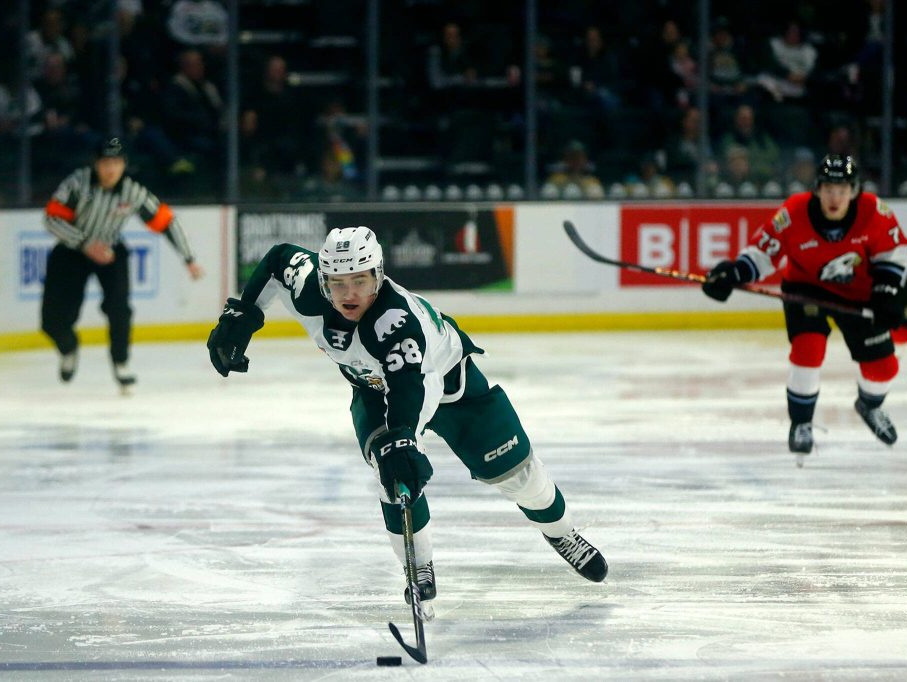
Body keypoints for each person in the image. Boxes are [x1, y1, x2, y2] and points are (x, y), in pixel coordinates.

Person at [206, 226, 608, 617]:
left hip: (446, 383)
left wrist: (403, 441)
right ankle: (418, 566)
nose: (349, 294)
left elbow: (412, 389)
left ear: (378, 277)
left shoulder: (396, 325)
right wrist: (243, 315)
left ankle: (562, 533)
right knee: (391, 475)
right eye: (338, 283)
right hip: (373, 388)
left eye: (360, 281)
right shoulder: (310, 286)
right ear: (324, 280)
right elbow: (278, 261)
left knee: (518, 476)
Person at [702, 154, 907, 455]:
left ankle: (869, 405)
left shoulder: (874, 212)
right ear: (817, 188)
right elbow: (763, 254)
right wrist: (735, 272)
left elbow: (893, 252)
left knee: (883, 368)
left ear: (854, 191)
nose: (835, 197)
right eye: (828, 188)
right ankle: (801, 423)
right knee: (808, 349)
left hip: (859, 295)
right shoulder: (793, 213)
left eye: (842, 190)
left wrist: (886, 290)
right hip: (806, 289)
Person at [42, 137, 204, 390]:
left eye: (116, 163)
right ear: (96, 164)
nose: (111, 170)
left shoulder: (132, 191)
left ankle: (121, 363)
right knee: (52, 320)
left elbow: (167, 222)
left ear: (124, 165)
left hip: (110, 251)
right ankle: (68, 347)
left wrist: (189, 258)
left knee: (119, 308)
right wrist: (85, 243)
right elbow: (52, 218)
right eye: (106, 163)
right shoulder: (77, 183)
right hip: (71, 250)